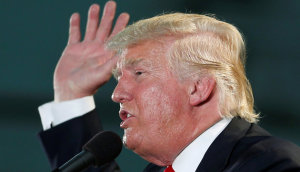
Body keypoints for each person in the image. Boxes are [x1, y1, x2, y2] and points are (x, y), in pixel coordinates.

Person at [38, 1, 300, 172]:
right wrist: (72, 94)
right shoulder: (165, 169)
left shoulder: (272, 165)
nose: (117, 94)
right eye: (119, 77)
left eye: (139, 73)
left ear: (198, 88)